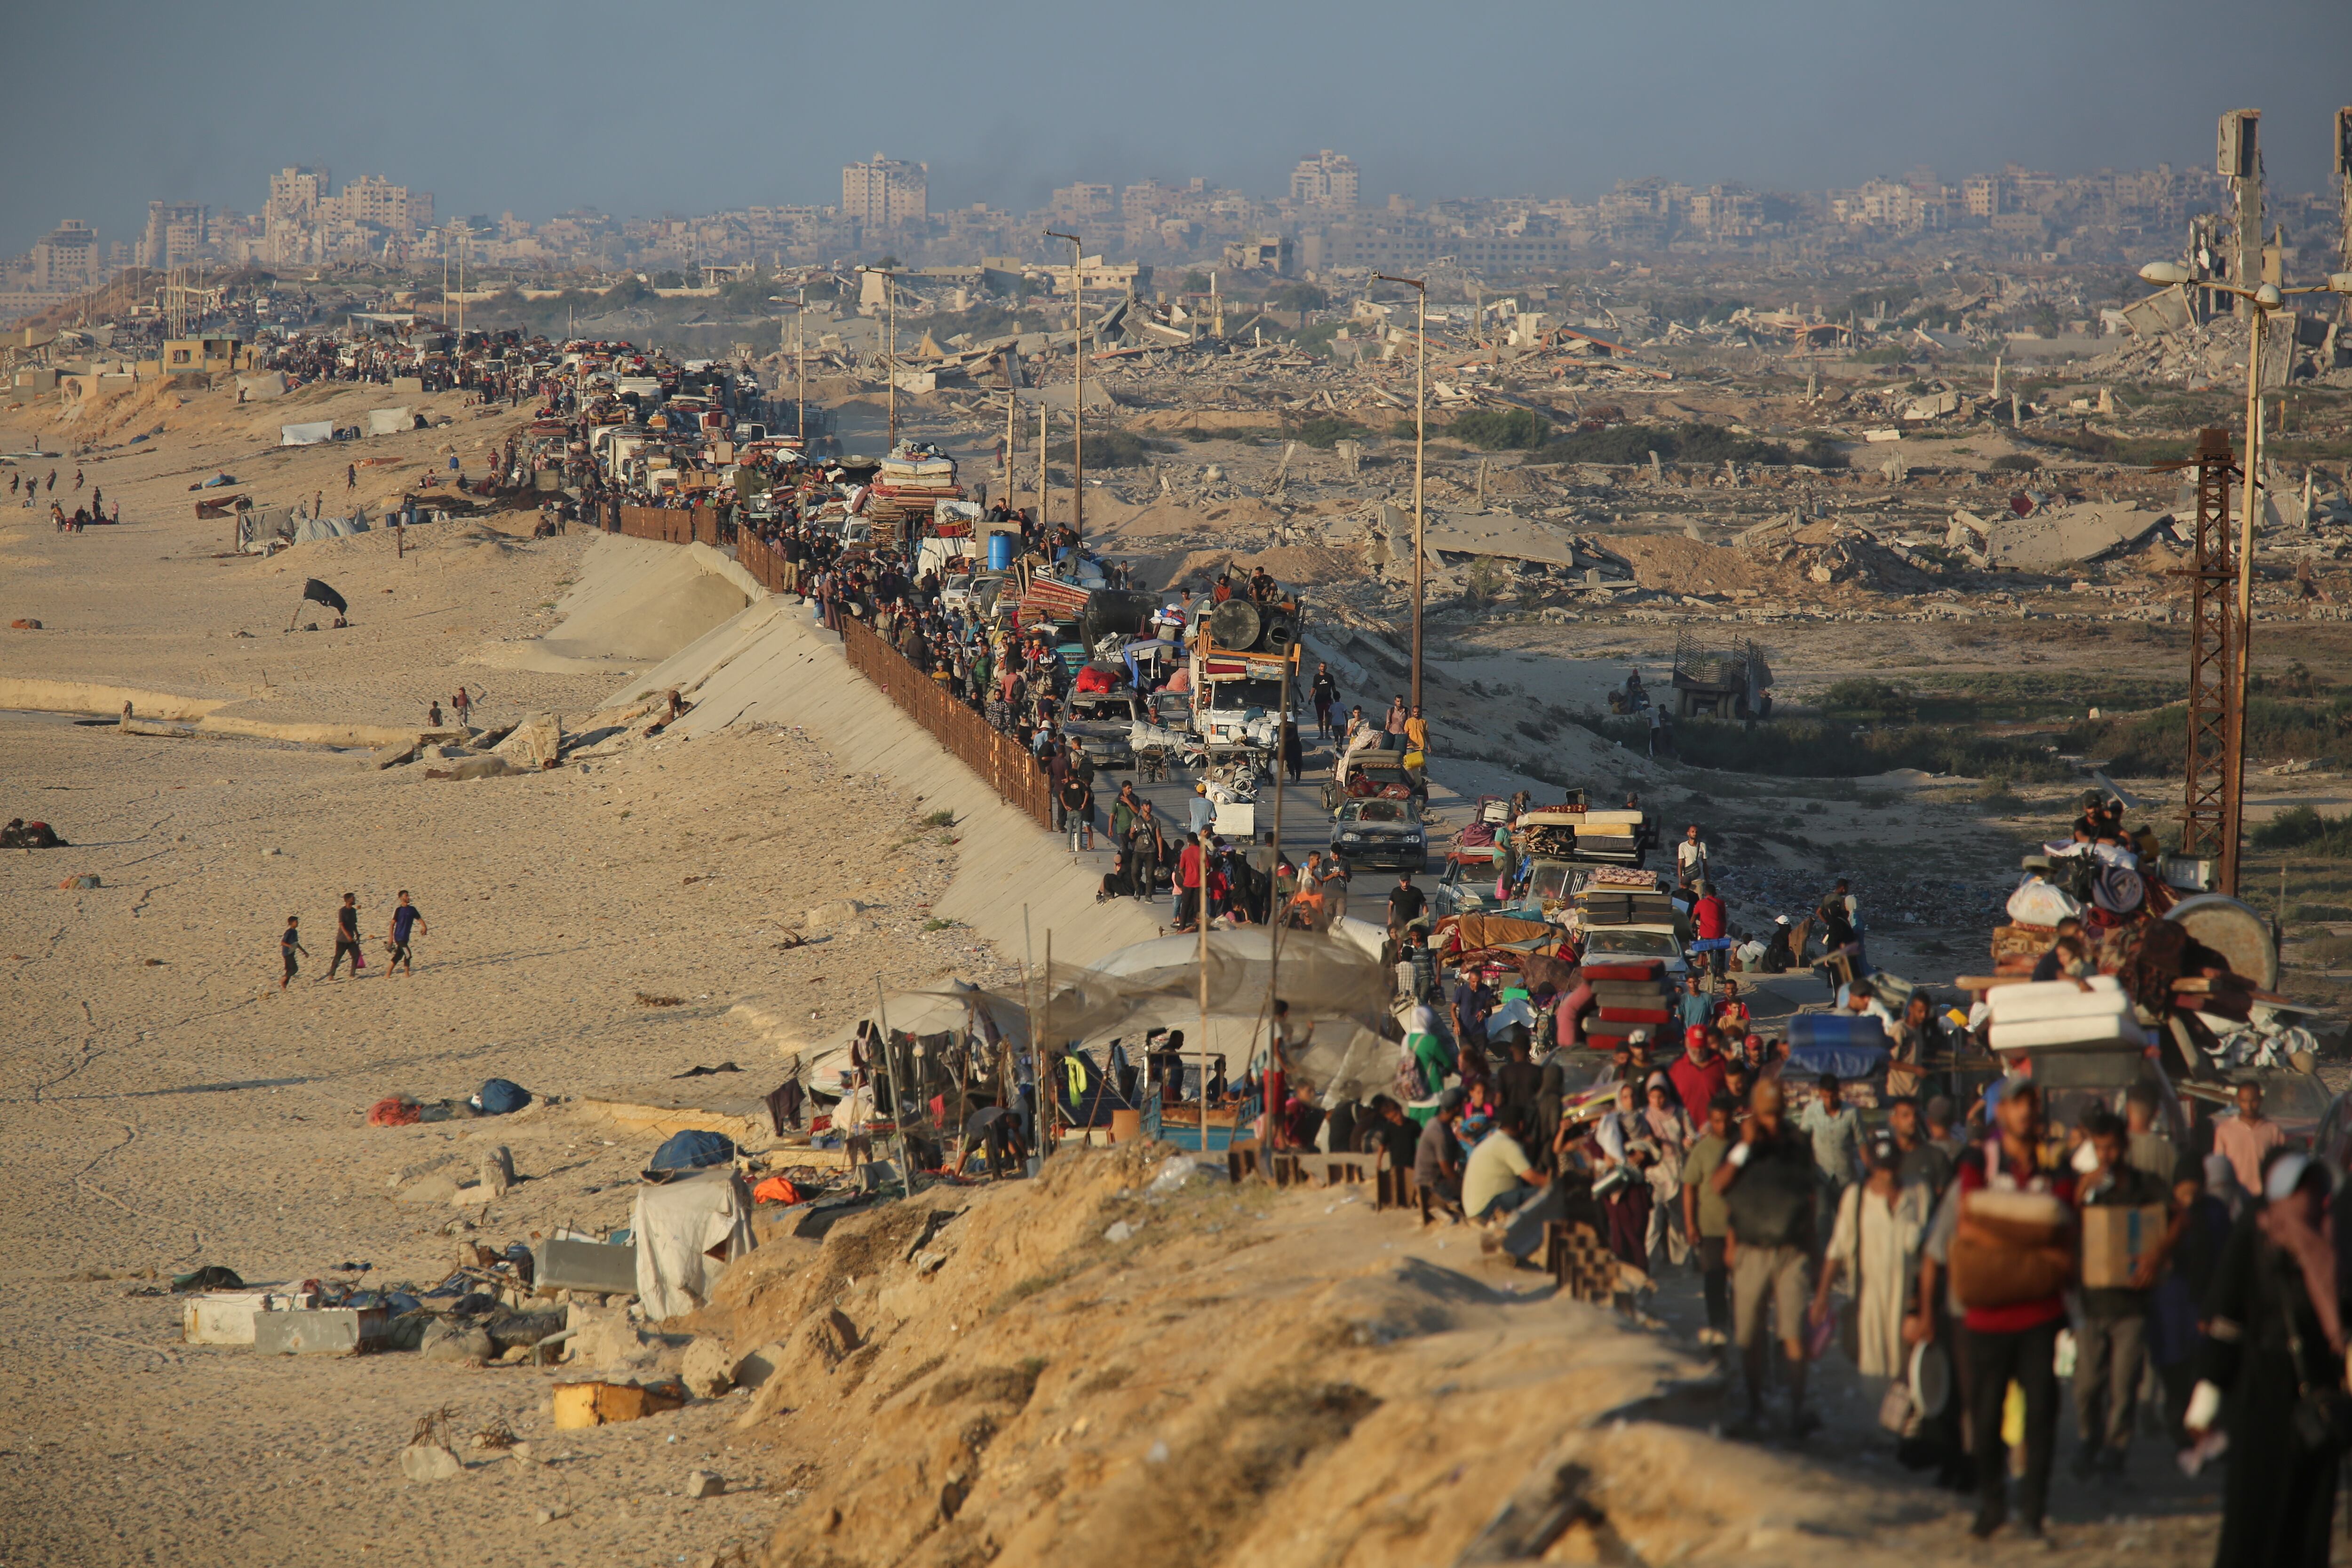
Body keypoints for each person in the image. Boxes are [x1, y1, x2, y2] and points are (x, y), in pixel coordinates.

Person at [2187, 1151, 2347, 1567]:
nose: (2314, 1200)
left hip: (2319, 1401)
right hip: (2263, 1397)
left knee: (2310, 1520)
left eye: (2317, 1190)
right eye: (2303, 1191)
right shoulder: (2255, 1239)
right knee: (2257, 1515)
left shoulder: (2330, 1246)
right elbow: (2227, 1318)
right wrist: (2205, 1399)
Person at [1952, 1077, 2076, 1542]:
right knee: (1984, 1418)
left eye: (2031, 1104)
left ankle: (2032, 1511)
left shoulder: (2056, 1163)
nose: (2025, 1112)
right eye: (2015, 1104)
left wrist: (1999, 1224)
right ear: (2000, 1112)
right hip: (1987, 1315)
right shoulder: (1977, 1160)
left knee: (2041, 1415)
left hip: (2040, 1315)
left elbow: (2062, 1223)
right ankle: (1991, 1504)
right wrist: (2033, 1228)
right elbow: (1969, 1220)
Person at [1713, 1076, 1820, 1436]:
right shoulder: (1740, 1145)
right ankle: (1756, 1406)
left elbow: (1811, 1197)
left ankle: (1796, 1409)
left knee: (1792, 1330)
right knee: (1750, 1332)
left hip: (1790, 1249)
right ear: (1755, 1113)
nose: (1772, 1122)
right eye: (1766, 1115)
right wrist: (1744, 1148)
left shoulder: (1797, 1143)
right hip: (1751, 1247)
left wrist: (1814, 1248)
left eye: (1777, 1114)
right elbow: (1721, 1186)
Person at [2070, 1109, 2169, 1482]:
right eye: (2100, 1149)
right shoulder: (2089, 1186)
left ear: (2124, 1146)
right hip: (2092, 1302)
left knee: (2124, 1384)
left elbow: (2176, 1216)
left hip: (2131, 1304)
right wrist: (2082, 1190)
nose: (2106, 1155)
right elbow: (2067, 1222)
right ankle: (2087, 1440)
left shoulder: (2144, 1185)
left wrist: (2156, 1255)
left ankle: (2115, 1449)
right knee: (2087, 1384)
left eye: (2111, 1148)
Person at [1812, 1133, 1932, 1380]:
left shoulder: (1919, 1194)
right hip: (1869, 1304)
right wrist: (1822, 1296)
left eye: (1891, 1168)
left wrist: (1926, 1310)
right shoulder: (1856, 1199)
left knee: (1911, 1379)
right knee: (1874, 1377)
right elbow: (1836, 1250)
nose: (1887, 1176)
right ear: (1872, 1167)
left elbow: (1931, 1255)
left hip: (1910, 1306)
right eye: (1882, 1169)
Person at [1683, 1094, 1739, 1345]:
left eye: (1726, 1121)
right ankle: (1718, 1328)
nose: (1722, 1126)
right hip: (1711, 1228)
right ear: (1710, 1121)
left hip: (1741, 1228)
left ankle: (1741, 1327)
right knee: (1714, 1280)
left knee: (1742, 1284)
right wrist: (1691, 1224)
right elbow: (1689, 1187)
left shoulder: (1743, 1147)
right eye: (1717, 1121)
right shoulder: (1702, 1150)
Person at [1797, 1073, 1864, 1245]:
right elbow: (1803, 1141)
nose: (1829, 1100)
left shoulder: (1852, 1113)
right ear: (1820, 1094)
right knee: (1823, 1223)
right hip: (1822, 1177)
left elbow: (1862, 1144)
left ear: (1838, 1093)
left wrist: (1871, 1171)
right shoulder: (1812, 1112)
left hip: (1846, 1177)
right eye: (1825, 1096)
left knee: (1851, 1224)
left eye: (1832, 1095)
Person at [1463, 1104, 1550, 1223]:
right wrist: (1557, 1185)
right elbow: (1532, 1178)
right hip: (1486, 1209)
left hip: (1474, 1209)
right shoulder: (1507, 1144)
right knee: (1542, 1194)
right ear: (1521, 1125)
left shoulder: (1496, 1140)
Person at [2212, 1080, 2283, 1198]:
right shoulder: (2224, 1130)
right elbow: (2220, 1166)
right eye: (2244, 1101)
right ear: (2238, 1101)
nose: (2249, 1106)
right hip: (2235, 1194)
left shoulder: (2273, 1130)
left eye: (2253, 1101)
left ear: (2261, 1100)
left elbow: (2280, 1165)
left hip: (2264, 1195)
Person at [1668, 1026, 1728, 1126]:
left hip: (1715, 1130)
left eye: (1701, 1047)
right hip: (1686, 1131)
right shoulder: (1676, 1067)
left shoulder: (1721, 1063)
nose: (1699, 1051)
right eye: (1695, 1046)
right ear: (1687, 1044)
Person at [1413, 1093, 1464, 1208]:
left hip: (1432, 1181)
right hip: (1430, 1186)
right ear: (1457, 1108)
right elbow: (1446, 1169)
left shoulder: (1436, 1122)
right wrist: (1462, 1186)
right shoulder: (1439, 1133)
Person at [953, 1103, 1027, 1178]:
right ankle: (956, 1176)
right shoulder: (1000, 1121)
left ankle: (997, 1173)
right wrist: (1018, 1159)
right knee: (965, 1152)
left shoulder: (1008, 1119)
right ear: (1010, 1122)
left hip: (987, 1127)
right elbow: (1007, 1143)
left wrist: (1026, 1155)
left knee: (999, 1146)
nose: (1013, 1129)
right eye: (1013, 1127)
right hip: (975, 1127)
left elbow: (1017, 1138)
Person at [386, 891, 427, 976]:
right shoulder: (398, 910)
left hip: (406, 937)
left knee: (398, 956)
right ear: (401, 898)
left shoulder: (412, 909)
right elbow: (392, 924)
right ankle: (407, 975)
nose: (408, 897)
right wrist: (391, 939)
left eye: (408, 896)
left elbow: (420, 919)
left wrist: (424, 927)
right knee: (408, 954)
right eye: (406, 896)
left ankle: (387, 975)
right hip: (399, 937)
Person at [328, 892, 364, 979]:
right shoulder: (342, 911)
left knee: (356, 956)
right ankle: (331, 975)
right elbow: (341, 925)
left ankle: (352, 974)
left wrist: (357, 934)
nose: (354, 900)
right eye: (353, 898)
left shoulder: (353, 911)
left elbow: (354, 924)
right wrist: (348, 936)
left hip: (351, 939)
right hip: (342, 939)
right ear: (348, 900)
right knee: (338, 957)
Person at [1386, 872, 1426, 940]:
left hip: (1414, 923)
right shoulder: (1395, 892)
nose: (1405, 884)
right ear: (1400, 881)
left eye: (1407, 882)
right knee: (1397, 941)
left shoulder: (1417, 892)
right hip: (1399, 923)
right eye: (1403, 882)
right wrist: (1390, 919)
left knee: (1417, 939)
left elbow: (1424, 906)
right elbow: (1391, 906)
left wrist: (1425, 918)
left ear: (1410, 881)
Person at [1311, 662, 1338, 739]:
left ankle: (1327, 734)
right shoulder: (1316, 677)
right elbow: (1313, 688)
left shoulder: (1330, 677)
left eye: (1324, 667)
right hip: (1318, 700)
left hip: (1327, 700)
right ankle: (1321, 735)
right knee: (1320, 718)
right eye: (1322, 667)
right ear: (1319, 668)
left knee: (1327, 717)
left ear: (1326, 668)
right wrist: (1310, 698)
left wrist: (1336, 697)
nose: (1323, 668)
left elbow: (1333, 688)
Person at [279, 915, 307, 990]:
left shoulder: (295, 932)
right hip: (287, 953)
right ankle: (283, 980)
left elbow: (296, 944)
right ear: (292, 923)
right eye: (296, 922)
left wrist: (304, 952)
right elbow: (282, 942)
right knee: (294, 969)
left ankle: (284, 986)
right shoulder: (289, 932)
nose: (298, 923)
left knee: (289, 970)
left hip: (291, 953)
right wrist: (289, 946)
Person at [1675, 823, 1708, 887]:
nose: (1695, 834)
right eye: (1693, 832)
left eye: (1696, 832)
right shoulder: (1683, 846)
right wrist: (1680, 880)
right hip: (1686, 880)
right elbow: (1680, 864)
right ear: (1688, 833)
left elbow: (1705, 864)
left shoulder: (1702, 846)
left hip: (1699, 879)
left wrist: (1707, 879)